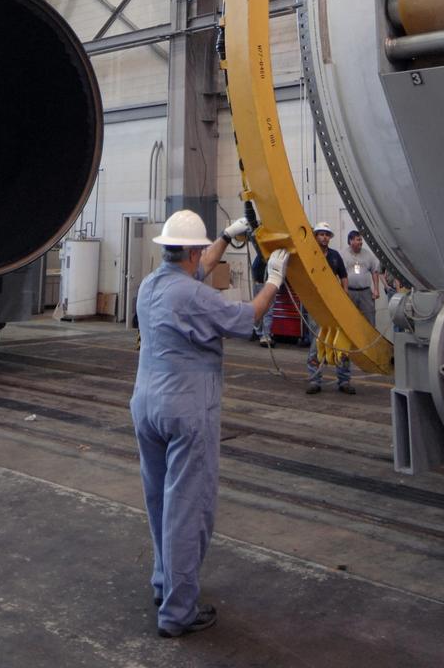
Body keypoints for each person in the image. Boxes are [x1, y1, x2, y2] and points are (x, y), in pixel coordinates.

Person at [130, 209, 290, 638]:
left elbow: (194, 273)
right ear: (193, 250)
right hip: (185, 408)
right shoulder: (195, 297)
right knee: (187, 510)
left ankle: (164, 586)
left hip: (145, 404)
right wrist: (274, 280)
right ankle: (178, 613)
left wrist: (224, 236)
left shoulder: (151, 285)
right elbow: (246, 318)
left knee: (160, 503)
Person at [305, 222, 355, 396]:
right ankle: (314, 380)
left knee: (340, 342)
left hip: (334, 304)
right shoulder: (310, 254)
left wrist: (345, 295)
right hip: (316, 305)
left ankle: (344, 380)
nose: (324, 237)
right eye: (321, 234)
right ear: (316, 236)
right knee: (316, 342)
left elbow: (343, 276)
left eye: (327, 234)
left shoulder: (334, 256)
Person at [345, 228, 381, 327]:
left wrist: (376, 290)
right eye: (358, 240)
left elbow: (375, 271)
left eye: (361, 240)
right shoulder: (343, 254)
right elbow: (339, 274)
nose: (361, 242)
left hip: (366, 293)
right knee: (349, 319)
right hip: (349, 292)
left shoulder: (368, 254)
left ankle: (371, 341)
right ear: (350, 241)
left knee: (370, 317)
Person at [250, 243, 276, 346]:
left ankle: (261, 333)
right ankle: (262, 334)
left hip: (264, 281)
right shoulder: (264, 251)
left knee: (265, 309)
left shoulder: (268, 253)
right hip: (261, 281)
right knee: (265, 309)